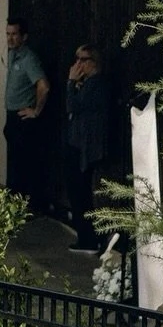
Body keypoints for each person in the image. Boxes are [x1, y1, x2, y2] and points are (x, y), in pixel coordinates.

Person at [64, 43, 110, 252]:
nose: (77, 64)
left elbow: (73, 105)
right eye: (77, 59)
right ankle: (86, 237)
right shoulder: (89, 84)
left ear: (93, 62)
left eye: (82, 60)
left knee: (81, 192)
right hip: (79, 143)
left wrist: (71, 82)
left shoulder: (96, 84)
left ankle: (89, 239)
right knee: (77, 191)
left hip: (87, 146)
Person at [3, 17, 50, 215]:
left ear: (24, 36)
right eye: (8, 34)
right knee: (15, 162)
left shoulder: (29, 58)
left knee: (24, 164)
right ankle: (15, 204)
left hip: (24, 117)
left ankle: (28, 207)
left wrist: (36, 110)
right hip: (12, 115)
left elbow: (43, 86)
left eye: (14, 34)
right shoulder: (14, 55)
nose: (10, 38)